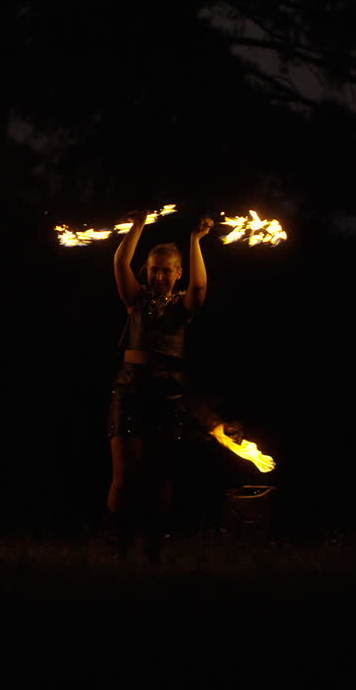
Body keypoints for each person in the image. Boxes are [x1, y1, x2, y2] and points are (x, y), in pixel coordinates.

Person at [105, 209, 213, 561]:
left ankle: (152, 552)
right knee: (124, 477)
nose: (160, 275)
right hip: (130, 391)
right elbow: (120, 263)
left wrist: (195, 241)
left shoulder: (183, 308)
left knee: (160, 478)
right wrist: (137, 225)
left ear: (177, 273)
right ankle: (118, 549)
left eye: (167, 270)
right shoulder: (134, 300)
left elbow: (199, 286)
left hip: (167, 395)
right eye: (154, 269)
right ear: (147, 271)